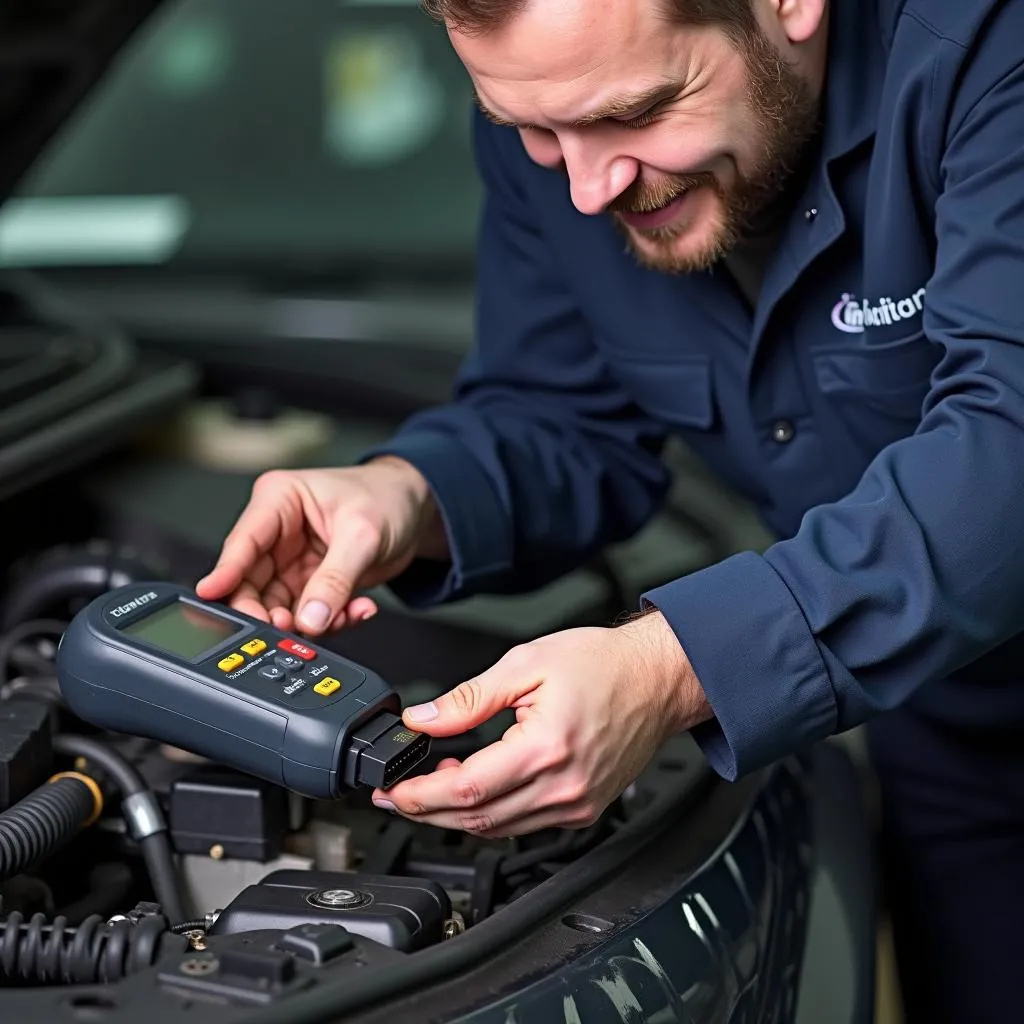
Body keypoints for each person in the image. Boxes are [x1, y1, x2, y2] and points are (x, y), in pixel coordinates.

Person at [197, 0, 1024, 1018]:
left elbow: (1010, 445)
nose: (587, 188)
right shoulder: (559, 106)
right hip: (951, 734)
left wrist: (667, 668)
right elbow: (562, 410)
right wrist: (410, 495)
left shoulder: (989, 53)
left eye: (637, 112)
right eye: (533, 134)